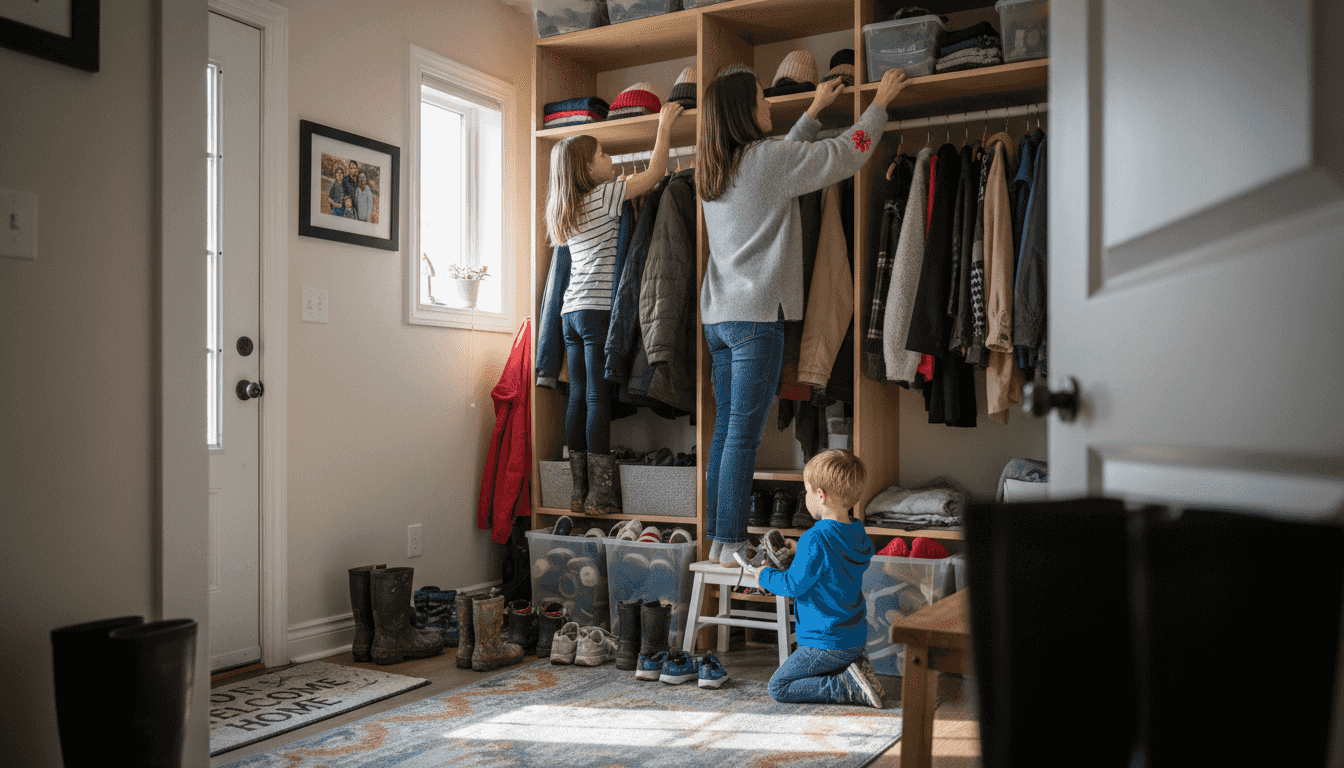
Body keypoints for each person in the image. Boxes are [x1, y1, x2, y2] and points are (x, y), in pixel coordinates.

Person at [697, 65, 910, 566]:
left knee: (726, 432)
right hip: (755, 320)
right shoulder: (766, 159)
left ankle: (721, 540)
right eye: (761, 98)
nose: (768, 104)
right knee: (742, 437)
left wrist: (813, 111)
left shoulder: (715, 168)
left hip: (719, 318)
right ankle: (732, 542)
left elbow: (781, 162)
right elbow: (846, 154)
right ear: (743, 111)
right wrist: (879, 103)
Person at [544, 100, 685, 515]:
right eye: (603, 155)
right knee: (597, 399)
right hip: (597, 310)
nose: (611, 161)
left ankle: (578, 491)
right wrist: (664, 126)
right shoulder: (605, 196)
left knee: (578, 397)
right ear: (587, 170)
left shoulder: (564, 207)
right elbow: (655, 173)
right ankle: (600, 495)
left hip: (570, 313)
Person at [738, 449, 883, 708]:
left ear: (820, 495)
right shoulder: (857, 531)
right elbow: (833, 561)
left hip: (824, 643)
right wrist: (800, 550)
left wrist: (764, 576)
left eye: (806, 491)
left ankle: (844, 686)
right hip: (854, 640)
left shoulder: (815, 539)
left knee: (779, 687)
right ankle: (854, 670)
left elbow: (792, 585)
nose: (806, 497)